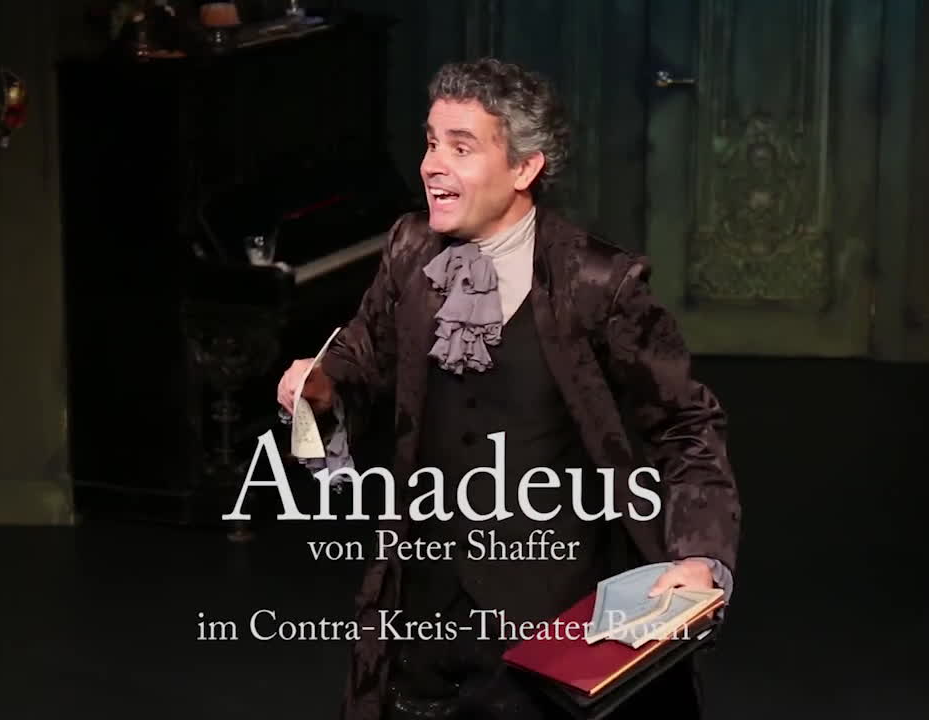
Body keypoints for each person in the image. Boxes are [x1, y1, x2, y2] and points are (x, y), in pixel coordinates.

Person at [277, 58, 740, 720]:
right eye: (431, 142)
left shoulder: (595, 284)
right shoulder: (409, 250)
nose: (433, 165)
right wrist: (322, 388)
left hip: (548, 624)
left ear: (525, 168)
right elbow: (361, 353)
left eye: (461, 147)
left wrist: (700, 557)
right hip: (423, 618)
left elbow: (686, 425)